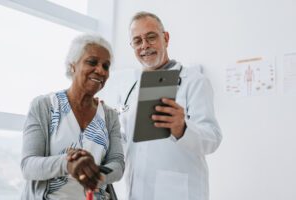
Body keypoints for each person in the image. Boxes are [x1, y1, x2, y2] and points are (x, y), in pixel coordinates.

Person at [118, 11, 222, 200]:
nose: (145, 46)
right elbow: (128, 143)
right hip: (136, 190)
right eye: (137, 41)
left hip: (178, 192)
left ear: (165, 38)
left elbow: (212, 138)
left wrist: (182, 128)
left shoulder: (194, 81)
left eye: (151, 37)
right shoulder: (130, 88)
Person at [20, 34, 124, 200]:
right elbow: (28, 166)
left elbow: (117, 164)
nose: (100, 70)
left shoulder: (110, 116)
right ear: (72, 65)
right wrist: (68, 164)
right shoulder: (44, 106)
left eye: (106, 66)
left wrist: (94, 174)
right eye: (92, 62)